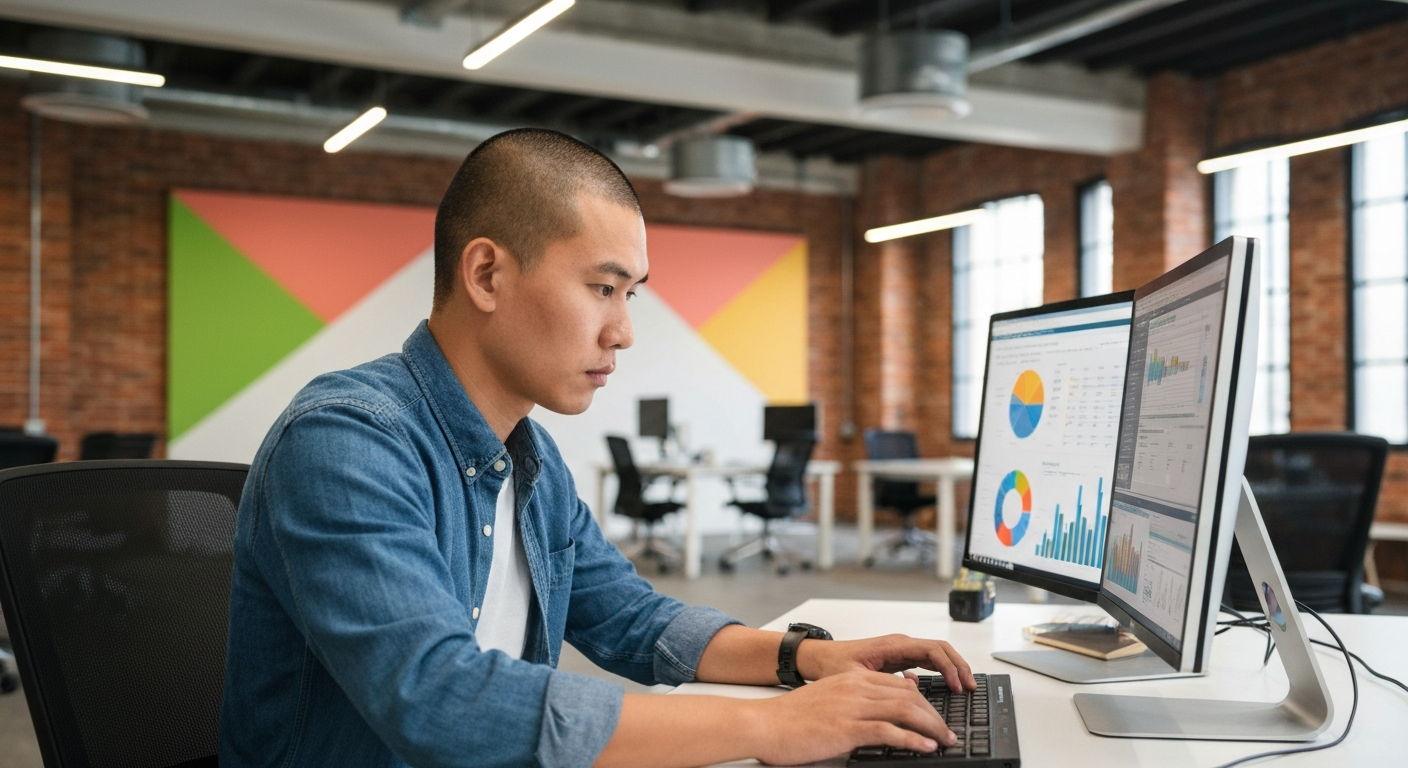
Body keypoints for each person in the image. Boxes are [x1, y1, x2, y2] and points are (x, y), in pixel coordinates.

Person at [218, 128, 975, 768]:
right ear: (486, 274)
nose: (624, 331)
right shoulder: (346, 442)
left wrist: (806, 658)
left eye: (632, 293)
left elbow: (633, 618)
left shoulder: (529, 459)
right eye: (602, 288)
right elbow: (438, 698)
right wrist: (775, 726)